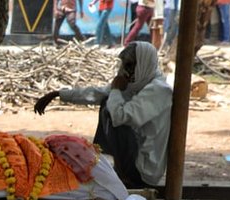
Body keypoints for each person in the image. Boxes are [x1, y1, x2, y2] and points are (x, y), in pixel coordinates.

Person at [33, 41, 172, 188]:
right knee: (108, 101)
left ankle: (124, 173)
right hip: (135, 157)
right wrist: (59, 94)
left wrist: (116, 90)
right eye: (124, 65)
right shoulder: (139, 82)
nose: (125, 71)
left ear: (143, 63)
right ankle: (118, 168)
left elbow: (120, 117)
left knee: (109, 108)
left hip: (145, 170)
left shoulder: (158, 90)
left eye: (130, 66)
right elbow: (96, 93)